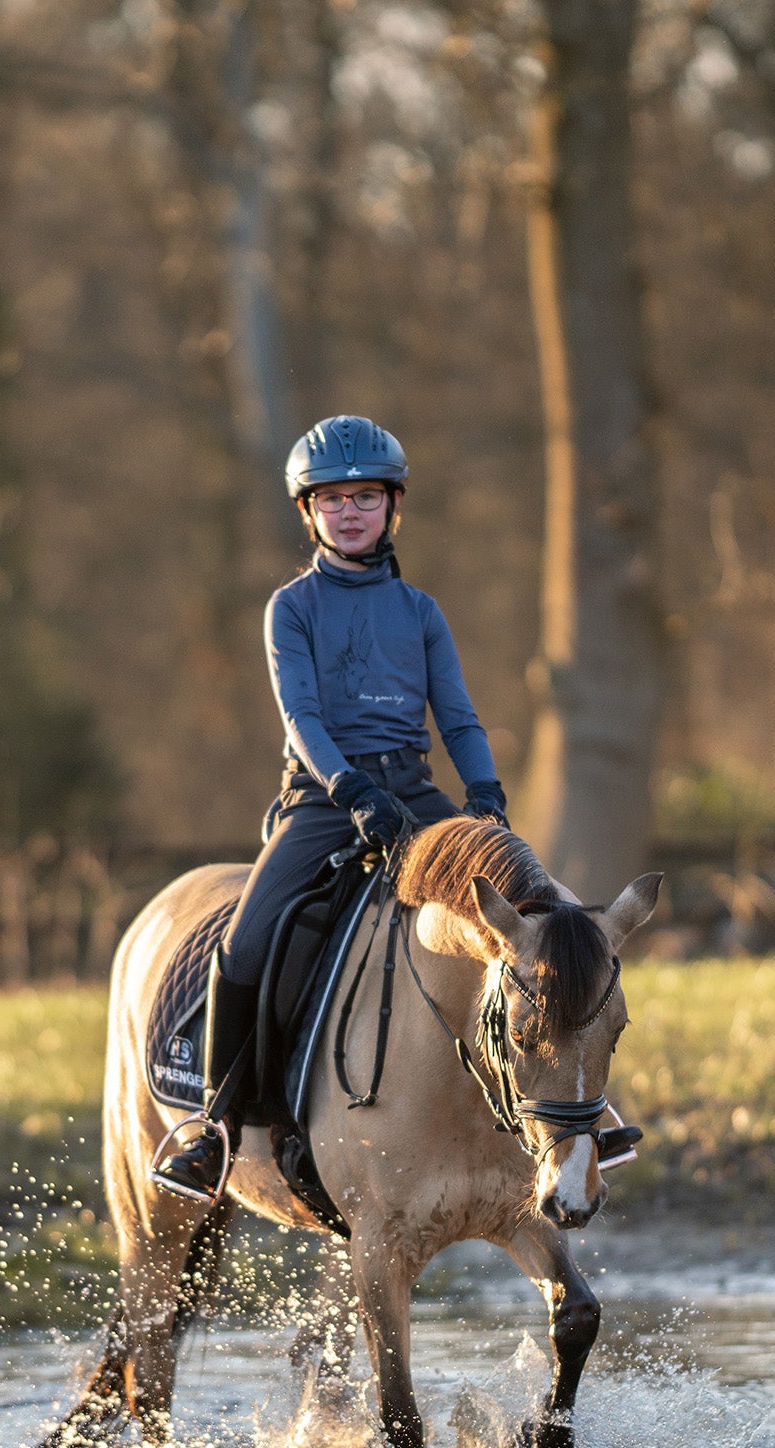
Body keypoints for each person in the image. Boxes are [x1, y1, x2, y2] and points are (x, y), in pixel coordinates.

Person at [150, 414, 508, 1203]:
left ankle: (570, 1114)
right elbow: (301, 717)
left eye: (366, 497)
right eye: (332, 499)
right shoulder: (291, 607)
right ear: (308, 512)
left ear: (392, 506)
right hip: (323, 794)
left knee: (524, 911)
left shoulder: (420, 611)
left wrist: (482, 794)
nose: (350, 512)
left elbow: (456, 717)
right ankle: (211, 1126)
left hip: (412, 788)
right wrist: (347, 789)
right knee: (244, 945)